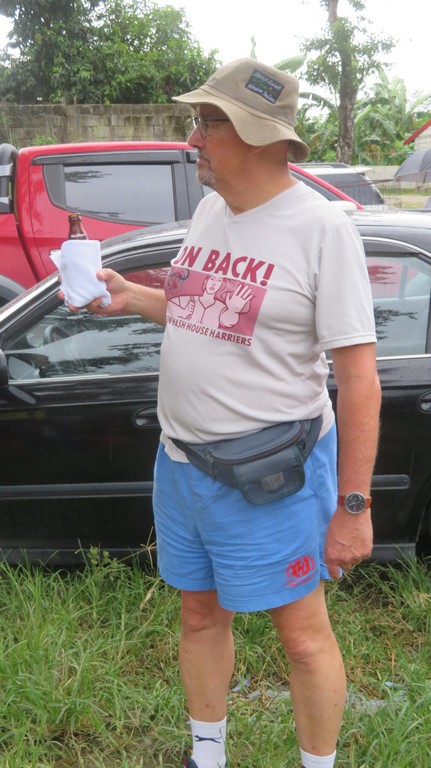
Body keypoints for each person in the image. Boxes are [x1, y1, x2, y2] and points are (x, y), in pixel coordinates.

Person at [70, 59, 381, 768]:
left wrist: (353, 506)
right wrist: (132, 296)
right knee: (199, 613)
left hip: (268, 473)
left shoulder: (320, 229)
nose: (193, 139)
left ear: (257, 134)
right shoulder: (213, 212)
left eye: (208, 123)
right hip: (182, 462)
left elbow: (358, 379)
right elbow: (203, 310)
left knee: (302, 636)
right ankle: (205, 757)